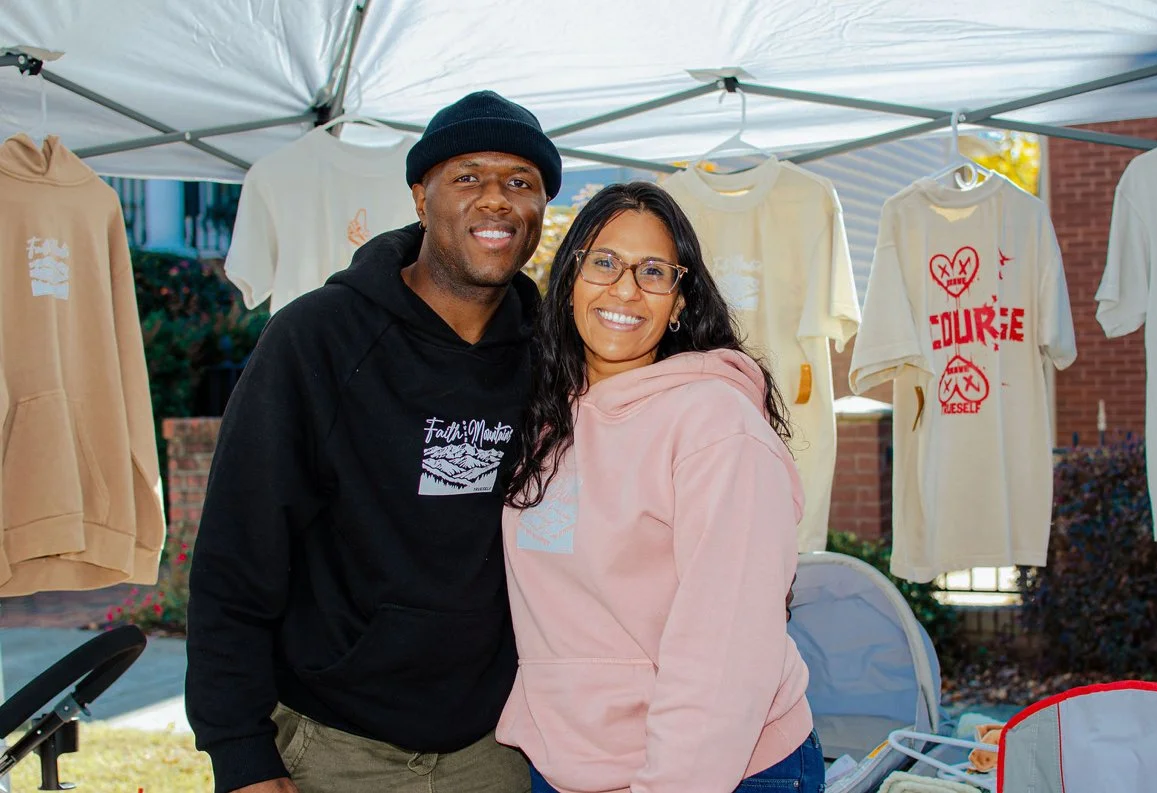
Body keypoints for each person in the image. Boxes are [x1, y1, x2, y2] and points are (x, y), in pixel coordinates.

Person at [184, 91, 561, 793]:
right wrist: (239, 751)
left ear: (543, 207)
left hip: (498, 747)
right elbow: (236, 557)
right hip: (335, 747)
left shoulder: (551, 361)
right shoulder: (316, 339)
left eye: (521, 182)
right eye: (468, 176)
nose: (497, 201)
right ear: (420, 196)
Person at [498, 182, 824, 793]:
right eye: (604, 263)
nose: (625, 289)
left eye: (654, 272)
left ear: (679, 302)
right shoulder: (548, 420)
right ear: (569, 278)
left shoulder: (715, 424)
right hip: (566, 766)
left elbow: (725, 649)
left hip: (711, 770)